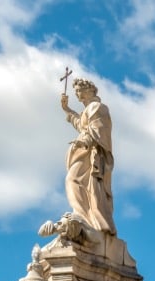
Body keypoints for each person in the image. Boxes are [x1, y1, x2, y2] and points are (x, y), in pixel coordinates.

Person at [60, 78, 116, 234]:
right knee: (76, 181)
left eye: (80, 89)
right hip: (84, 152)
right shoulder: (88, 110)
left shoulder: (97, 107)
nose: (77, 93)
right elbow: (81, 125)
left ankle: (84, 217)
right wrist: (67, 110)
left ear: (91, 90)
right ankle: (84, 215)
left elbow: (99, 130)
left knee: (74, 180)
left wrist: (85, 140)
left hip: (92, 154)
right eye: (76, 90)